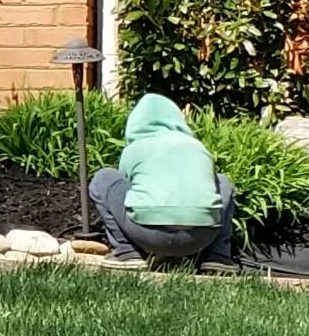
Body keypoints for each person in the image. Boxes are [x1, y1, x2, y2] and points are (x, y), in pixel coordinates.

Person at [88, 93, 238, 267]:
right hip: (201, 237)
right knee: (223, 181)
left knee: (104, 177)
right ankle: (218, 257)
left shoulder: (135, 148)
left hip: (147, 234)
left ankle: (126, 252)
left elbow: (126, 190)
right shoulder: (198, 147)